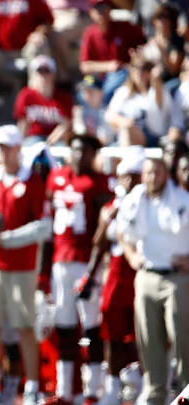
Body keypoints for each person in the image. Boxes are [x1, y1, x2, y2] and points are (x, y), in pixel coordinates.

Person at [0, 125, 50, 405]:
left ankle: (33, 388)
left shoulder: (32, 182)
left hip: (20, 266)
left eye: (7, 146)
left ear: (18, 148)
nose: (2, 152)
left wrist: (6, 240)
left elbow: (43, 226)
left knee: (25, 327)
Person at [44, 134, 112, 404]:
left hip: (86, 262)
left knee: (91, 329)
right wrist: (42, 273)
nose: (77, 156)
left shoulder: (98, 183)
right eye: (74, 151)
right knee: (65, 327)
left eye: (83, 152)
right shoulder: (56, 177)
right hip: (60, 262)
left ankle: (93, 391)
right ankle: (65, 391)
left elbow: (104, 231)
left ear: (92, 155)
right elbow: (49, 230)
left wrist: (95, 269)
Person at [116, 158, 189, 405]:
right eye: (148, 172)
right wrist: (130, 254)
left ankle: (185, 390)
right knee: (148, 336)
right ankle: (155, 392)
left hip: (177, 277)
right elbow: (121, 230)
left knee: (182, 335)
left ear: (165, 174)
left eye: (157, 172)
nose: (152, 177)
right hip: (147, 274)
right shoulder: (134, 200)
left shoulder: (182, 200)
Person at [76, 148, 144, 405]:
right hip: (116, 274)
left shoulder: (151, 203)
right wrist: (89, 277)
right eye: (124, 176)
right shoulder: (111, 207)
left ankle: (149, 385)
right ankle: (113, 387)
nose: (128, 182)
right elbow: (98, 243)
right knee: (112, 334)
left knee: (143, 335)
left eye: (133, 176)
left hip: (141, 273)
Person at [105, 55, 184, 146]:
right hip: (127, 140)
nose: (139, 72)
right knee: (126, 131)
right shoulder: (124, 92)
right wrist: (125, 121)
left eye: (144, 69)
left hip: (155, 140)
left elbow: (160, 100)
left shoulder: (157, 91)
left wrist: (156, 80)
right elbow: (109, 115)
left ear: (150, 72)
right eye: (135, 68)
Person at [14, 55, 73, 144]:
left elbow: (66, 124)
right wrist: (20, 143)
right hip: (33, 138)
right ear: (33, 74)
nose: (43, 75)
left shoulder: (63, 97)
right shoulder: (25, 95)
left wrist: (49, 143)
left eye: (46, 71)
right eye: (39, 71)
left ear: (53, 74)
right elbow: (22, 123)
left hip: (56, 139)